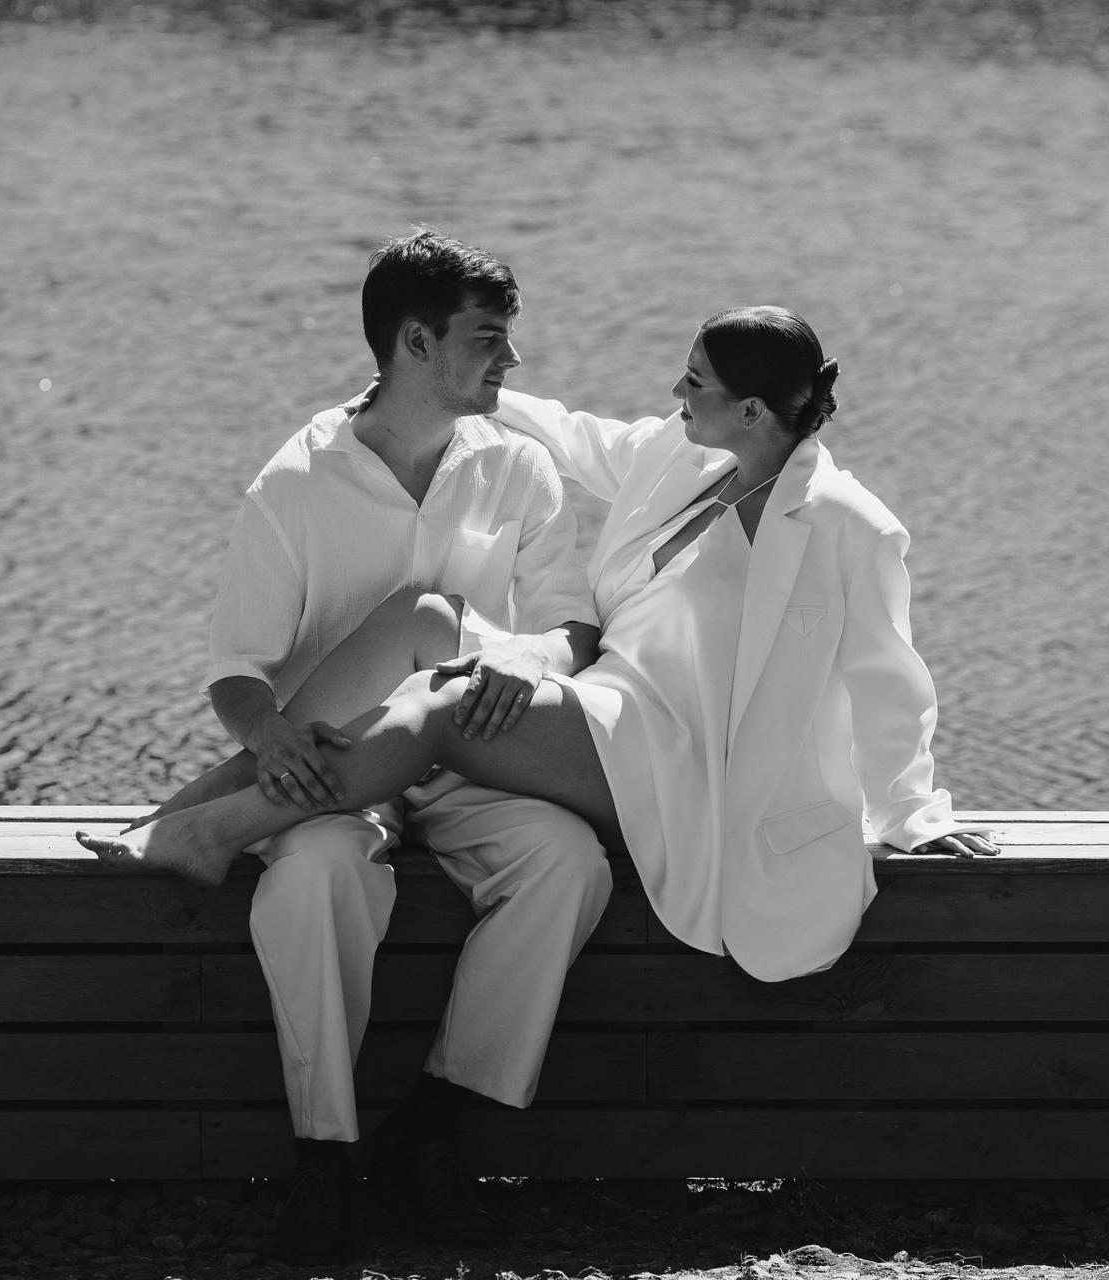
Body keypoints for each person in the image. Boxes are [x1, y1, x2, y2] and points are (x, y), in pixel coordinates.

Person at [83, 301, 998, 1143]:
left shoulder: (845, 524)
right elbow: (568, 430)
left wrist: (913, 815)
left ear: (754, 411)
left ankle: (219, 830)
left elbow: (889, 679)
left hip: (686, 770)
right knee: (423, 616)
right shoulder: (684, 459)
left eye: (694, 382)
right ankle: (197, 804)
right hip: (610, 712)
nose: (674, 393)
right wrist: (417, 388)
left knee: (447, 699)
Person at [135, 230, 614, 1265]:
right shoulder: (297, 479)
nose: (513, 358)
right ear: (414, 342)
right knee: (313, 878)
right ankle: (325, 1156)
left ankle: (432, 1127)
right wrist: (271, 741)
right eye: (488, 337)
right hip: (333, 773)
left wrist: (521, 658)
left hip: (473, 756)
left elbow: (573, 627)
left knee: (569, 863)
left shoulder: (519, 466)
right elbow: (236, 672)